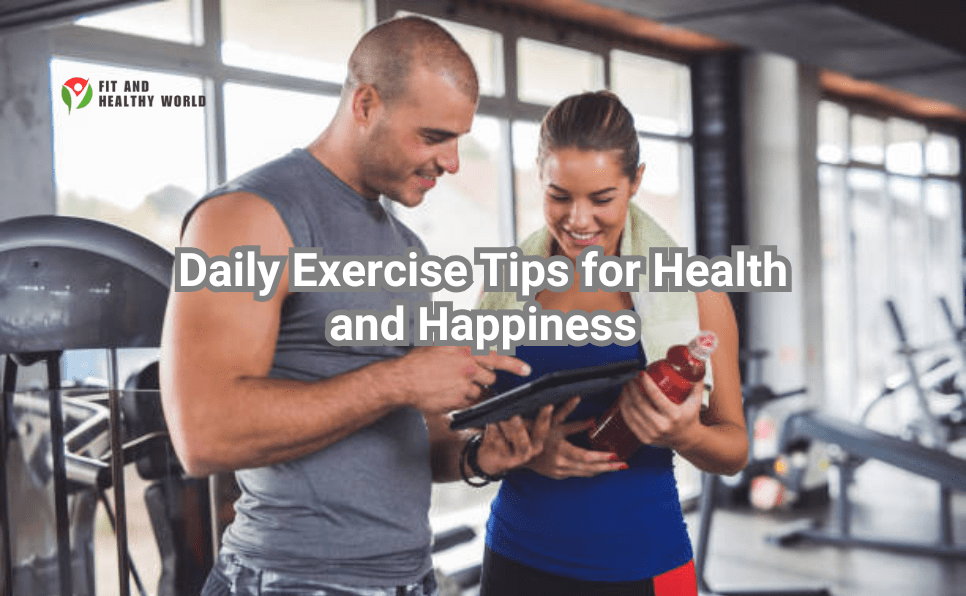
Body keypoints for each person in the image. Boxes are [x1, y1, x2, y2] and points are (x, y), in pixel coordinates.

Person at [159, 16, 553, 596]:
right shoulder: (247, 215)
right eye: (434, 136)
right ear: (366, 104)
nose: (452, 163)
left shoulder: (406, 247)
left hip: (409, 578)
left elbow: (418, 436)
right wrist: (397, 380)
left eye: (458, 139)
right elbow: (203, 434)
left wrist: (475, 456)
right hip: (291, 580)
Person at [475, 91, 748, 596]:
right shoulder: (508, 283)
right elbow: (471, 418)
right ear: (539, 174)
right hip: (515, 556)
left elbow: (733, 450)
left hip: (642, 566)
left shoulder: (696, 291)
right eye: (560, 195)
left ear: (635, 181)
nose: (579, 220)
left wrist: (685, 434)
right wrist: (525, 453)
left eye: (602, 199)